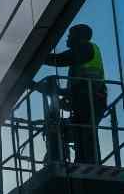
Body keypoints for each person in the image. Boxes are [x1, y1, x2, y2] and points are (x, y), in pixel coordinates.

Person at [43, 23, 108, 163]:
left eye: (70, 36)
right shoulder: (82, 54)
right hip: (89, 99)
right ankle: (84, 160)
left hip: (91, 99)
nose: (67, 39)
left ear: (78, 37)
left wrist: (39, 56)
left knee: (85, 131)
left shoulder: (85, 48)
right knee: (80, 131)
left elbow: (61, 59)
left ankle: (88, 161)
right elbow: (78, 85)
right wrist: (64, 95)